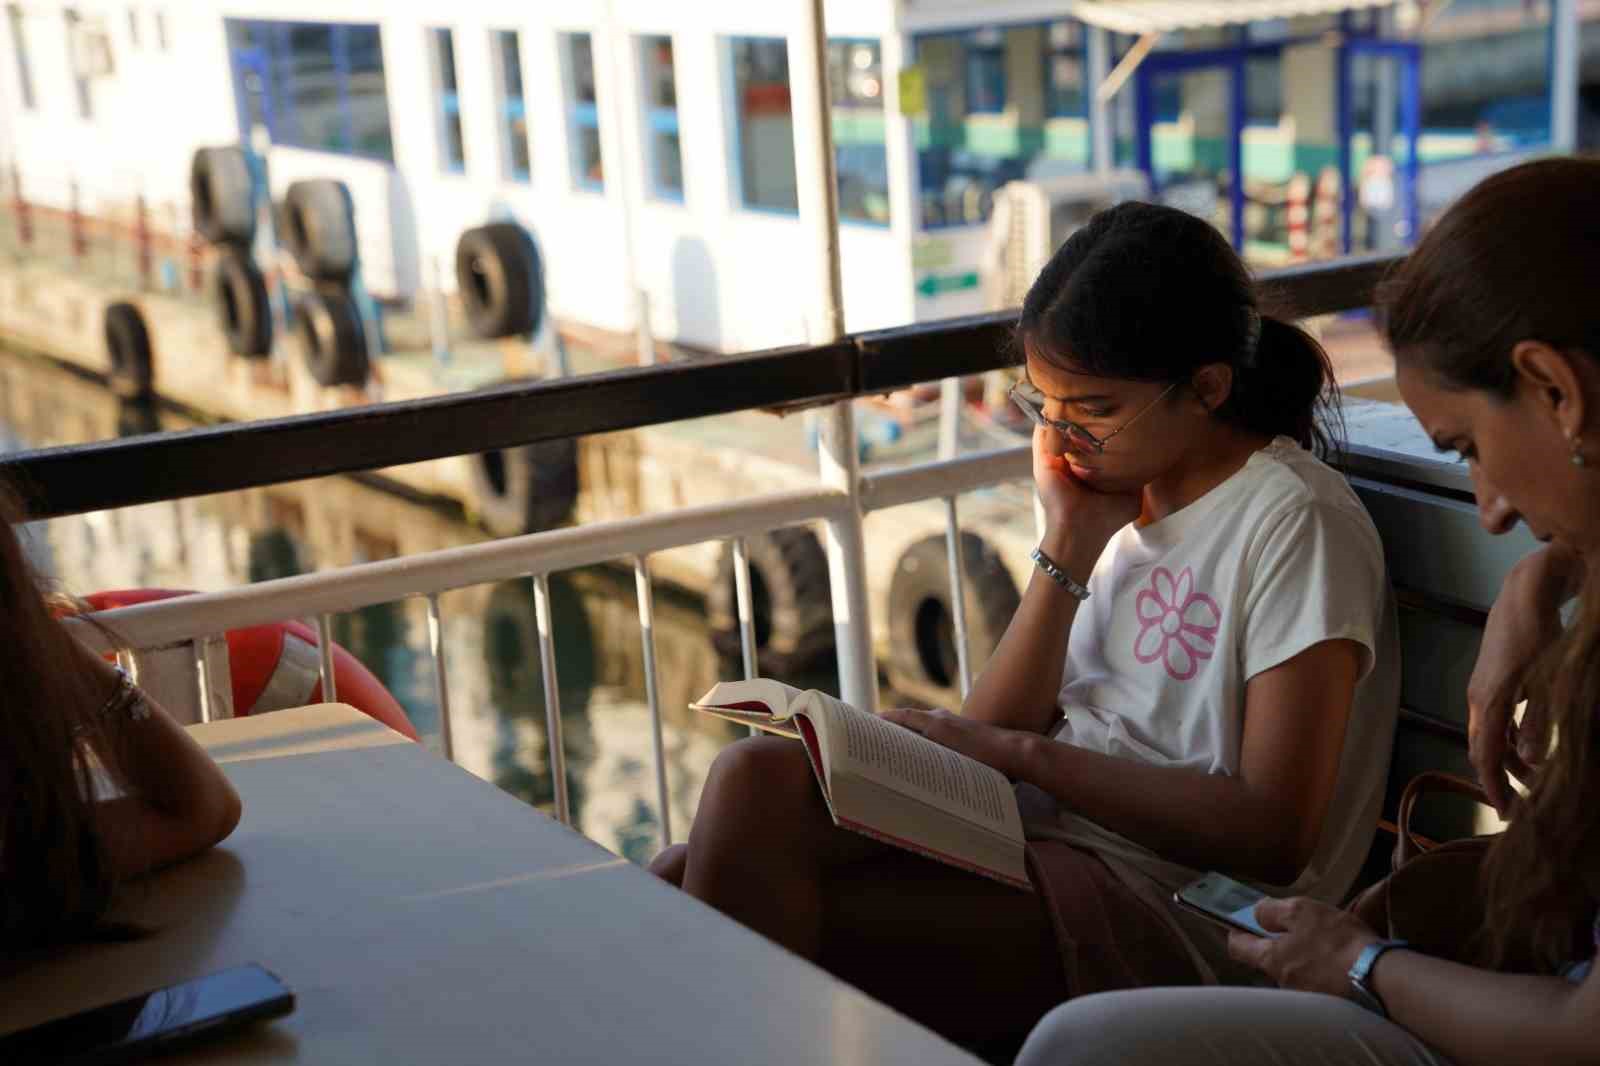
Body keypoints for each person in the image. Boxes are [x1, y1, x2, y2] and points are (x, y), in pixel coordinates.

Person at [649, 201, 1399, 1045]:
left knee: (723, 860)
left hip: (1179, 906)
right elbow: (990, 728)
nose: (1061, 436)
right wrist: (1067, 542)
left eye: (1094, 410)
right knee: (718, 828)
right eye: (1044, 405)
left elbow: (1274, 831)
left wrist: (1028, 757)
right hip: (1051, 844)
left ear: (1207, 389)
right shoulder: (1120, 502)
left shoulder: (1293, 522)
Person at [1016, 156, 1600, 1066]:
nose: (1490, 510)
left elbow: (1582, 1031)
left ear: (1556, 389)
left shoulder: (1291, 517)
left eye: (1468, 449)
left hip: (1393, 981)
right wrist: (1548, 572)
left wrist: (1361, 963)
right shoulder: (1128, 511)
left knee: (1072, 1047)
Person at [1, 478, 242, 950]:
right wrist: (32, 629)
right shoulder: (25, 855)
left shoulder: (24, 851)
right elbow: (200, 809)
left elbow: (203, 810)